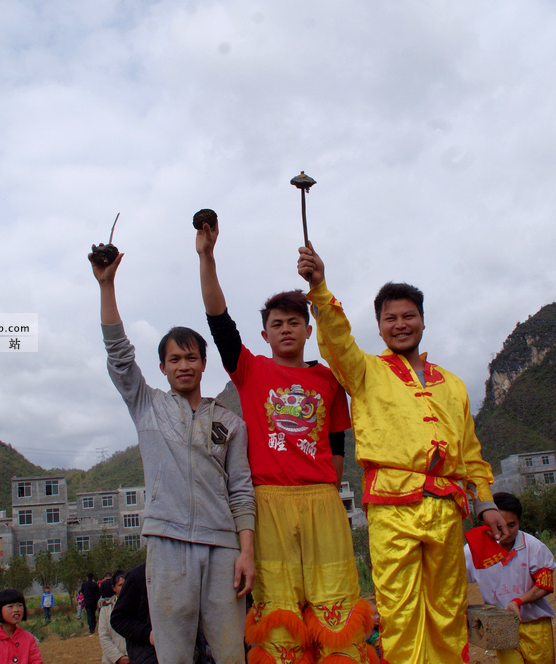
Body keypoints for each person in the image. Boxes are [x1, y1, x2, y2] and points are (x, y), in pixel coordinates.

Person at [297, 244, 506, 663]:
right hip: (392, 506)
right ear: (378, 327)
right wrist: (319, 287)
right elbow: (336, 340)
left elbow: (470, 452)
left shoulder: (453, 384)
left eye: (409, 315)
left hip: (446, 507)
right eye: (390, 318)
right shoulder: (364, 371)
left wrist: (485, 502)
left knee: (448, 611)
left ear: (423, 321)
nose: (401, 324)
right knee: (401, 612)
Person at [196, 220, 374, 662]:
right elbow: (219, 322)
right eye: (277, 324)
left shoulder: (328, 379)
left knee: (335, 607)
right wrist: (207, 259)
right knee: (278, 612)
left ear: (308, 330)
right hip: (268, 503)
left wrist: (321, 489)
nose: (287, 329)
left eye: (295, 322)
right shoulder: (251, 370)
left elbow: (337, 449)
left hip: (322, 503)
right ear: (265, 334)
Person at [92, 246, 255, 664]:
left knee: (229, 653)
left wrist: (247, 551)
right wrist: (107, 285)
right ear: (162, 367)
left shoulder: (230, 423)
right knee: (174, 654)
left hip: (223, 548)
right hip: (166, 544)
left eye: (192, 357)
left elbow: (240, 490)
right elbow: (119, 356)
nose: (184, 365)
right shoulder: (147, 406)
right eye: (174, 359)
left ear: (205, 363)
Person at [465, 492, 556, 664]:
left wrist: (518, 601)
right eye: (498, 526)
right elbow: (455, 581)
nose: (505, 532)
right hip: (500, 626)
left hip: (535, 624)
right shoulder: (472, 551)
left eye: (512, 525)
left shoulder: (534, 547)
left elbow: (545, 584)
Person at [110, 563, 159, 664]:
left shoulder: (190, 570)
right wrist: (148, 634)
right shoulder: (139, 575)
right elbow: (118, 619)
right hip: (149, 657)